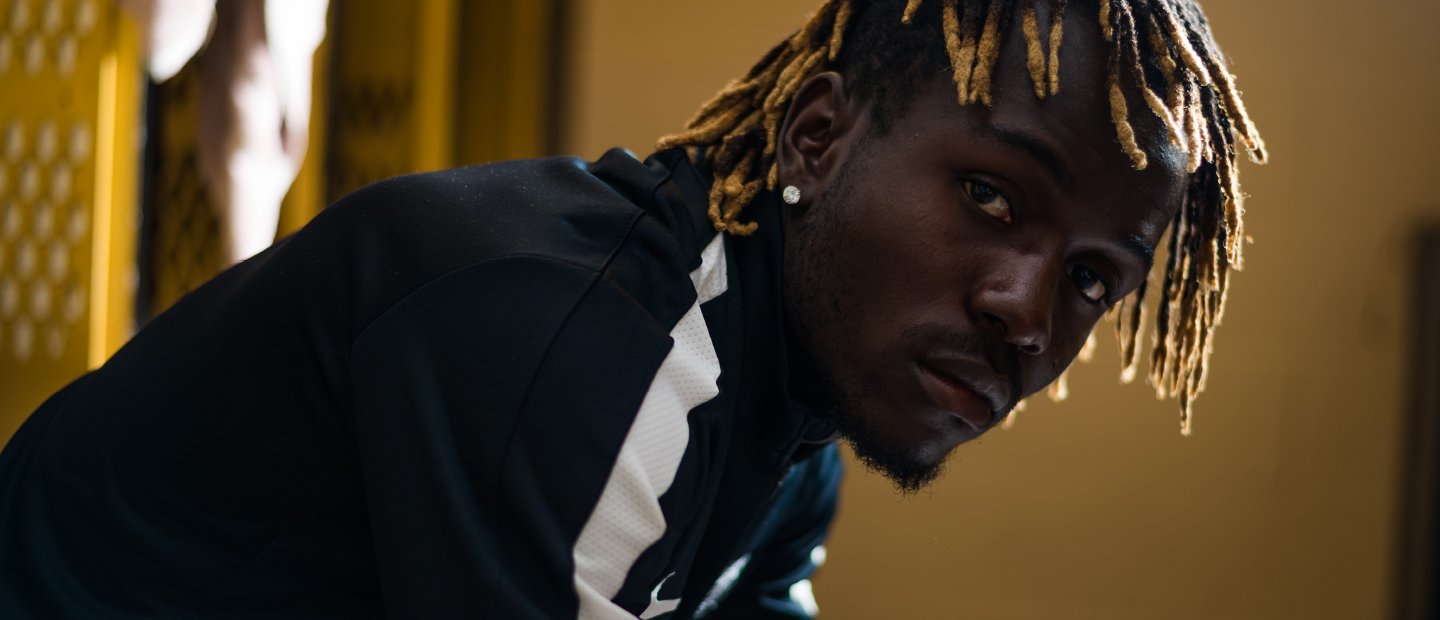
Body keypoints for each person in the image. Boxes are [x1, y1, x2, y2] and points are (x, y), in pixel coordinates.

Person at [0, 0, 1264, 617]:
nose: (1028, 312)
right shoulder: (584, 353)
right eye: (992, 195)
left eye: (1096, 277)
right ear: (816, 136)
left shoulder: (787, 421)